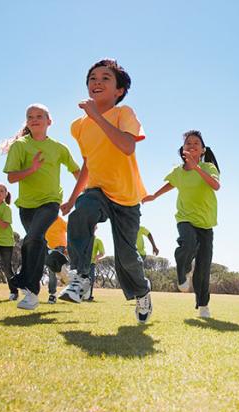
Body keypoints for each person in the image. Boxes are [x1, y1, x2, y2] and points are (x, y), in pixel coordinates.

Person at [59, 58, 153, 324]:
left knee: (126, 257)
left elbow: (127, 146)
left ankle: (142, 291)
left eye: (105, 78)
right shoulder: (78, 126)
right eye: (92, 78)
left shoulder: (125, 114)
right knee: (82, 213)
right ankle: (81, 277)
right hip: (98, 190)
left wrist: (98, 117)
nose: (97, 82)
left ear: (119, 91)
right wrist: (72, 198)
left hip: (126, 196)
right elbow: (88, 162)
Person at [2, 103, 80, 310]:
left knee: (33, 239)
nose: (34, 119)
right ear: (27, 122)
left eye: (39, 116)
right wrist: (32, 168)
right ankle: (59, 264)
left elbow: (77, 172)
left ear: (49, 121)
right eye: (30, 117)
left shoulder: (59, 148)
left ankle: (30, 292)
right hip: (26, 206)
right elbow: (11, 177)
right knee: (36, 245)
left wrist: (73, 199)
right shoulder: (20, 146)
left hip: (50, 202)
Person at [143, 130, 220, 318]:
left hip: (206, 224)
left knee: (203, 268)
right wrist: (154, 195)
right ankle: (182, 270)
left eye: (196, 143)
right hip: (185, 218)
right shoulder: (177, 171)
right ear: (183, 149)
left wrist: (197, 168)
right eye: (188, 143)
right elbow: (171, 184)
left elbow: (215, 185)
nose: (192, 145)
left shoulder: (209, 167)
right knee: (188, 242)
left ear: (202, 150)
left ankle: (203, 305)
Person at [44, 215, 69, 304]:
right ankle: (54, 293)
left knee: (53, 271)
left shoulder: (59, 220)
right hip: (47, 248)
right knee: (53, 271)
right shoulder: (44, 220)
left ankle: (53, 294)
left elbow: (69, 230)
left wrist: (67, 247)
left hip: (59, 247)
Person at [88, 231, 105, 301]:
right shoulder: (83, 240)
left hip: (91, 263)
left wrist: (96, 257)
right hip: (81, 263)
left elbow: (102, 253)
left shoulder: (98, 240)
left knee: (90, 280)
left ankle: (89, 296)